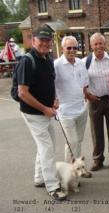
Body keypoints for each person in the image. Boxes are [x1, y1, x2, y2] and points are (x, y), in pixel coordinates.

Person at [16, 25, 67, 201]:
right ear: (33, 40)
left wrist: (54, 100)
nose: (45, 43)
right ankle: (53, 186)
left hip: (45, 112)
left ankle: (39, 178)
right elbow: (22, 92)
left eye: (47, 40)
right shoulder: (27, 61)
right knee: (47, 148)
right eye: (41, 39)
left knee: (46, 145)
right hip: (33, 113)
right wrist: (45, 108)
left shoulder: (47, 59)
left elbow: (49, 83)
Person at [83, 33, 109, 171]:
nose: (98, 46)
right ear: (91, 45)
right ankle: (97, 159)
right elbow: (81, 82)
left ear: (105, 44)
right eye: (95, 44)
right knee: (96, 132)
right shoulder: (86, 61)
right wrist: (87, 95)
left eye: (101, 43)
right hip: (95, 101)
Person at [54, 35, 91, 177]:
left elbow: (84, 84)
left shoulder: (81, 63)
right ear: (63, 48)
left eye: (75, 48)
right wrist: (54, 100)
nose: (72, 50)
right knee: (72, 142)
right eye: (68, 48)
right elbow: (50, 86)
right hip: (65, 111)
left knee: (78, 141)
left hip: (81, 109)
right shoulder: (56, 65)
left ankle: (78, 168)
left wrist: (87, 97)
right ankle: (68, 173)